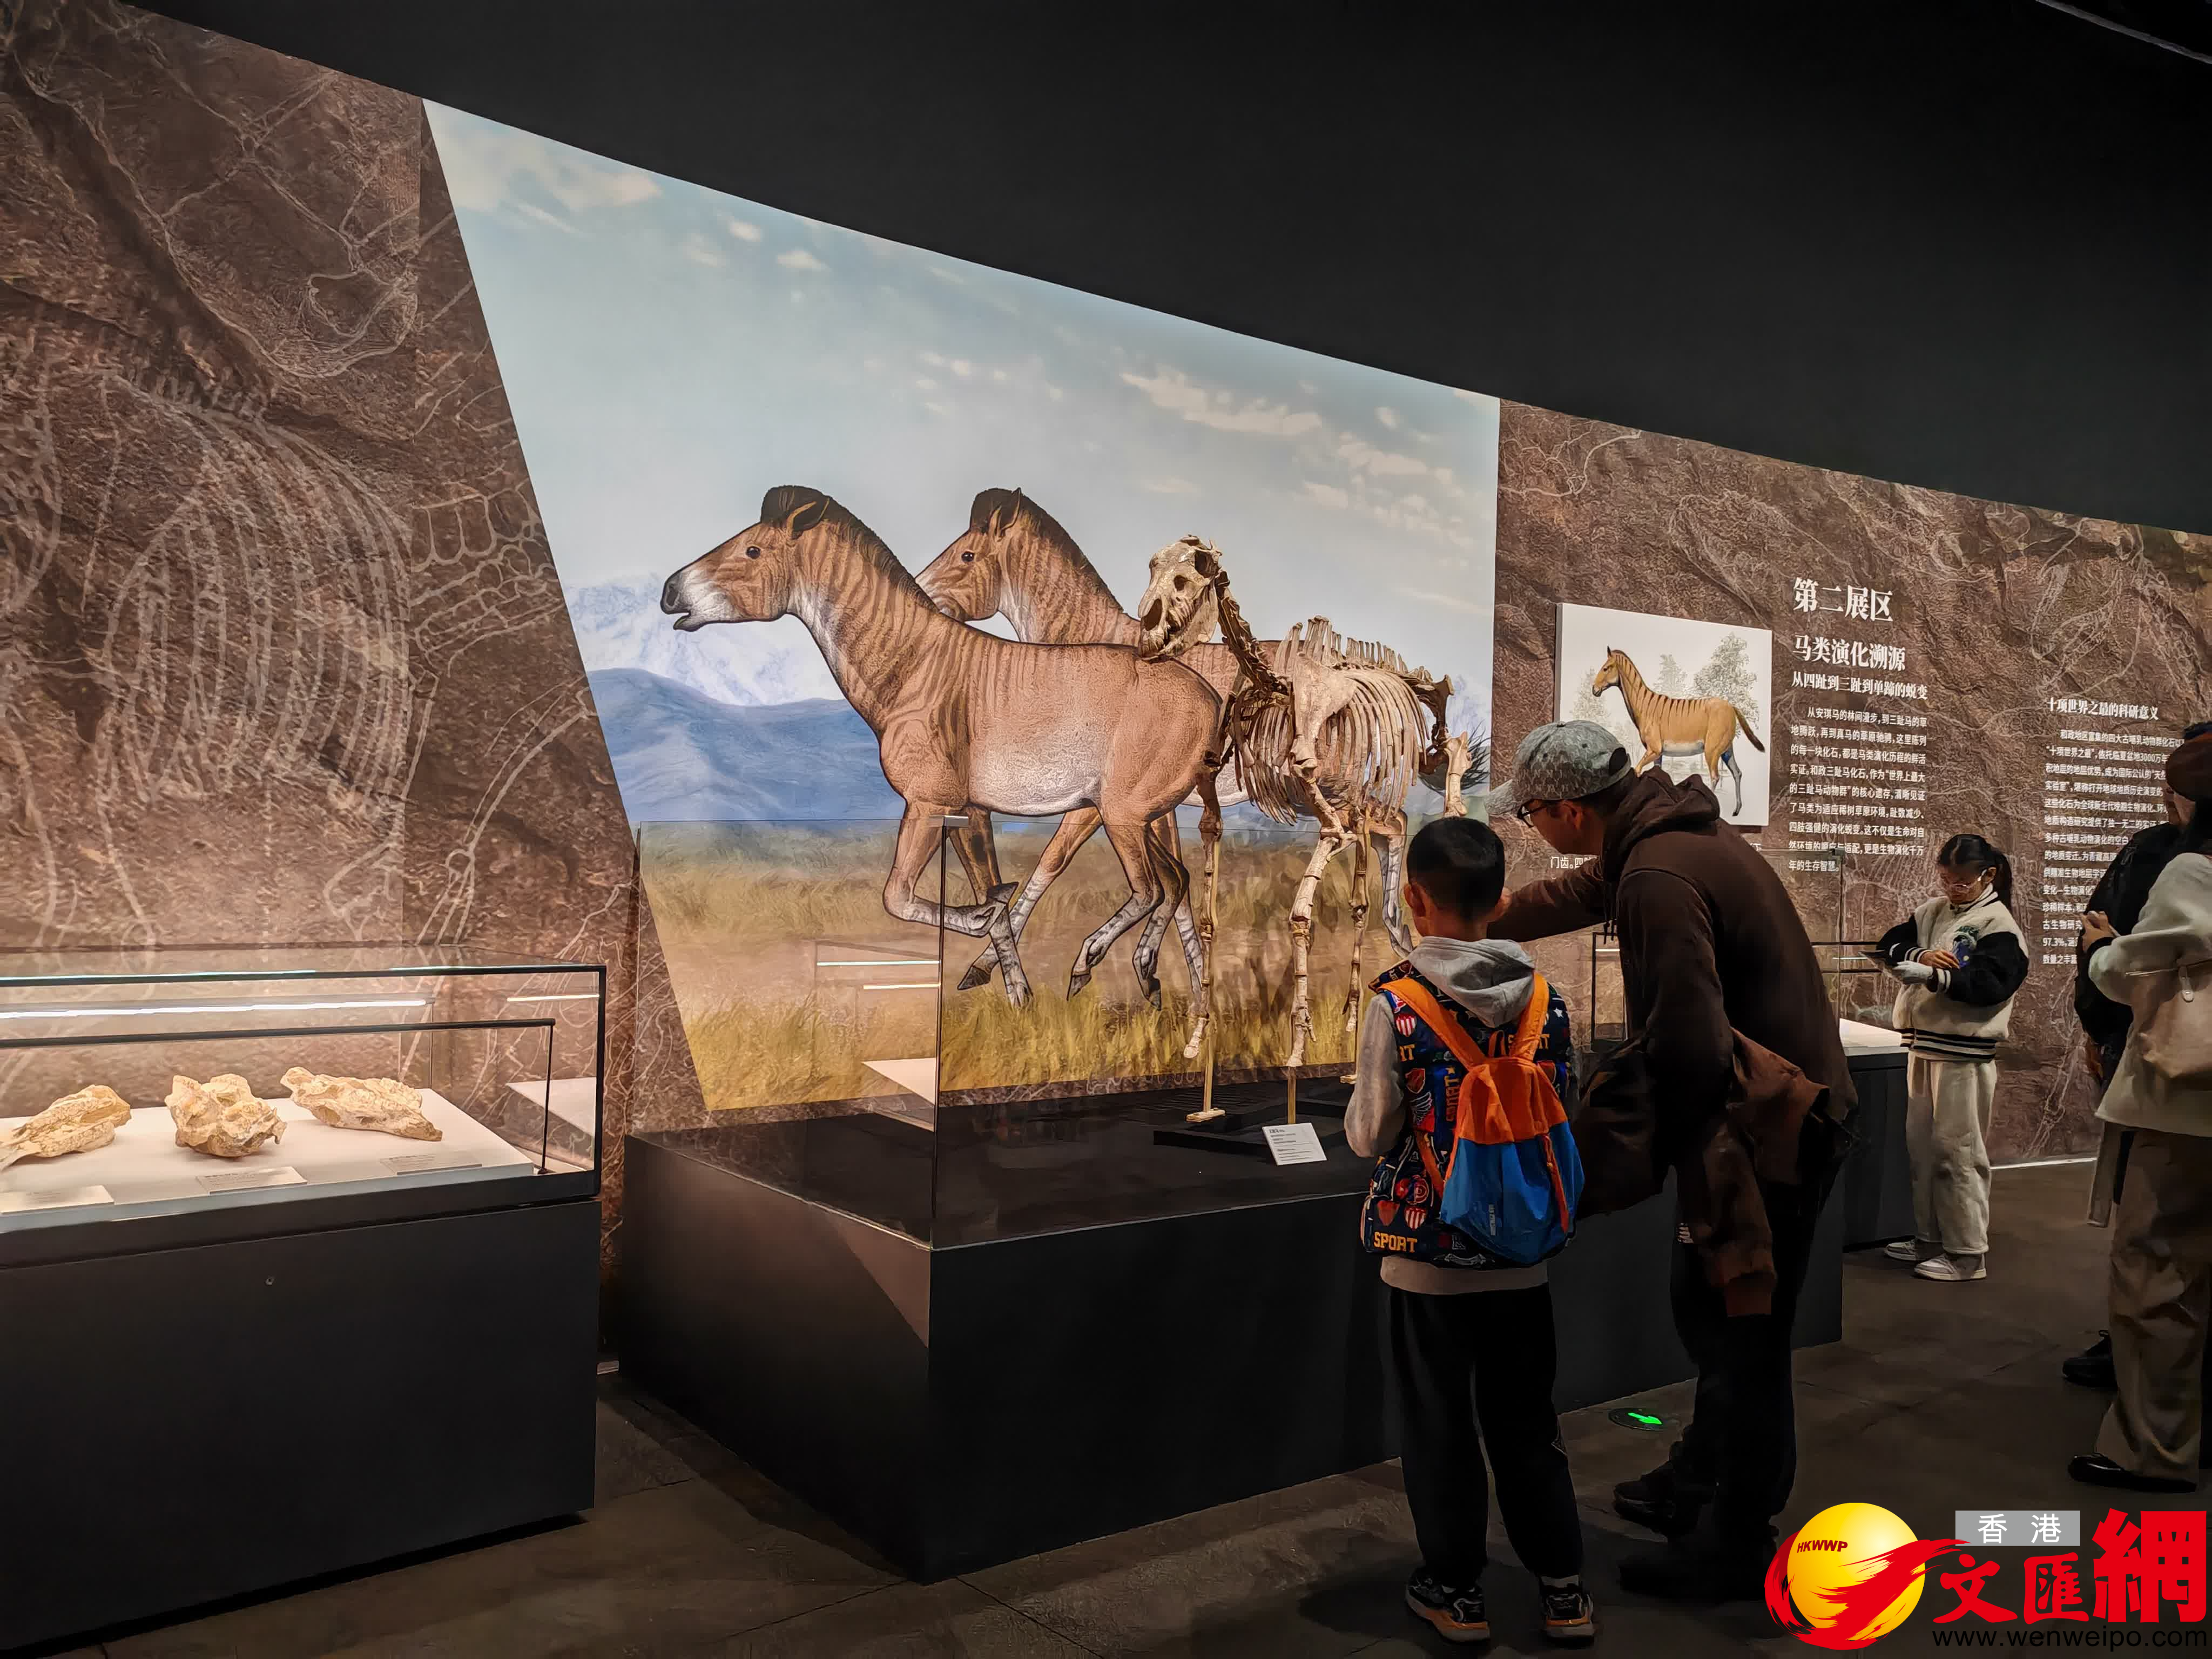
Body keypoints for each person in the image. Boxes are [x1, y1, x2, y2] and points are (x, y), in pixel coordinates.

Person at [1489, 720, 1852, 1601]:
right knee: (1715, 1314)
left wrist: (1626, 1156)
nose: (1533, 828)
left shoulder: (1656, 872)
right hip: (1776, 1112)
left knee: (1742, 1335)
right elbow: (1581, 890)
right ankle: (1696, 1477)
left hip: (1764, 1131)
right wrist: (1479, 918)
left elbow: (1687, 1042)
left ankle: (1737, 1538)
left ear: (1570, 810)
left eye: (1531, 814)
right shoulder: (1667, 836)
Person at [1346, 815, 1597, 1646]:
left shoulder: (1398, 1002)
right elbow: (1561, 1108)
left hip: (1428, 1261)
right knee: (1528, 1422)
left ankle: (1456, 1592)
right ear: (1500, 900)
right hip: (1523, 1256)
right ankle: (1564, 1589)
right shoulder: (1547, 1002)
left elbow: (1371, 1132)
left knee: (1440, 1424)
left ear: (1415, 898)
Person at [2069, 733, 2212, 1494]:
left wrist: (2101, 947)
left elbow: (2130, 971)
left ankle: (2153, 1449)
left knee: (2158, 1275)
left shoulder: (2192, 870)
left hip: (2185, 1109)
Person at [1872, 835, 2027, 1283]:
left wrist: (1934, 976)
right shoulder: (1933, 912)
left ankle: (1967, 1252)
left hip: (1964, 1053)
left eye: (1961, 881)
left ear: (1988, 875)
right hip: (1924, 1044)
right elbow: (1891, 943)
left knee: (1958, 1152)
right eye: (1945, 879)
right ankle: (1929, 1238)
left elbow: (1992, 985)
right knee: (1923, 1151)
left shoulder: (1997, 924)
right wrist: (1919, 954)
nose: (1952, 888)